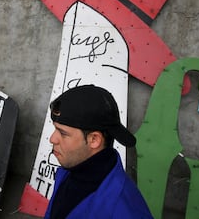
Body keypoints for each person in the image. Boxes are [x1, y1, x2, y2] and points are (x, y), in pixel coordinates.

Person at [45, 85, 153, 219]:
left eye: (63, 133)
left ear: (94, 139)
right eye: (56, 129)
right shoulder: (70, 170)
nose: (52, 139)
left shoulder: (123, 210)